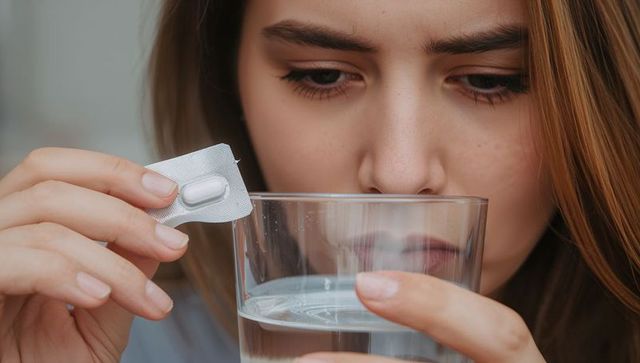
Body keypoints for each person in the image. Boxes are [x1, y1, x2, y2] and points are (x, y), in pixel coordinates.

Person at [0, 0, 638, 362]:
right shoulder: (87, 339)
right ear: (229, 84)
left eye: (491, 81)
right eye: (323, 75)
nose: (398, 174)